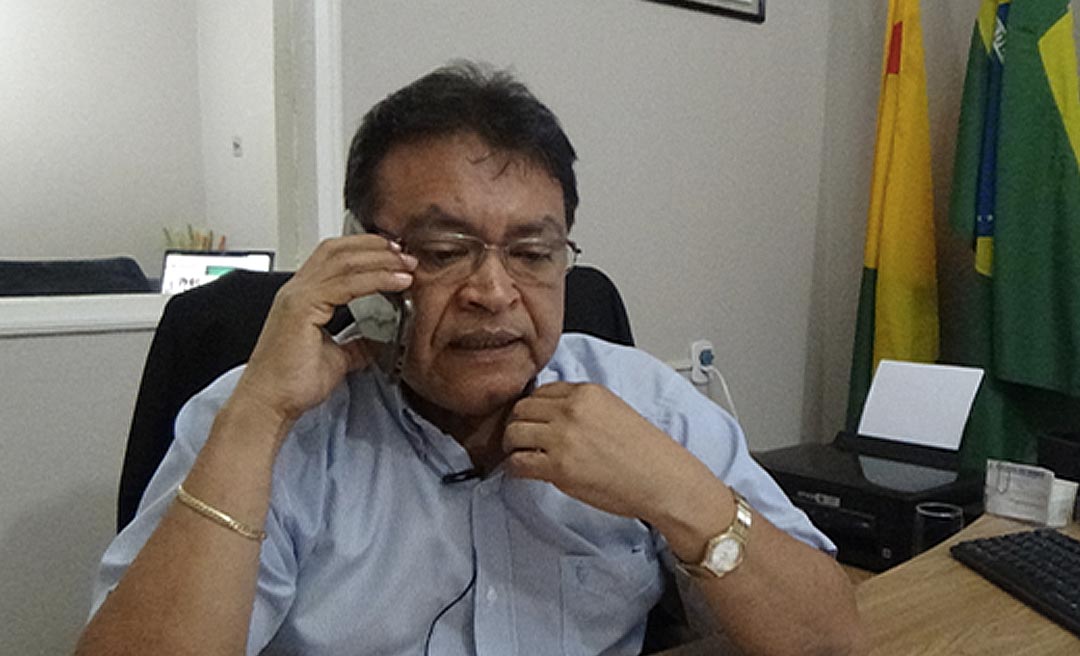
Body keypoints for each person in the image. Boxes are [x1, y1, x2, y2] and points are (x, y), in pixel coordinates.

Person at [76, 62, 861, 655]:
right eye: (446, 251)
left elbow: (834, 639)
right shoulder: (265, 419)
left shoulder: (643, 403)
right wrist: (258, 417)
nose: (493, 291)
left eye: (533, 252)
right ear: (365, 258)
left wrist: (677, 492)